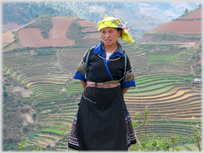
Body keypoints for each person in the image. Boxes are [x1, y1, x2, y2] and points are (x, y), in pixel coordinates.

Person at [68, 15, 136, 151]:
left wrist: (113, 95)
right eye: (103, 32)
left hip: (114, 105)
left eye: (111, 31)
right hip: (90, 104)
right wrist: (90, 93)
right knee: (89, 136)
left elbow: (126, 83)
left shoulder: (123, 57)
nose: (107, 36)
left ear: (119, 33)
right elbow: (81, 75)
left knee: (113, 139)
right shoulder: (91, 53)